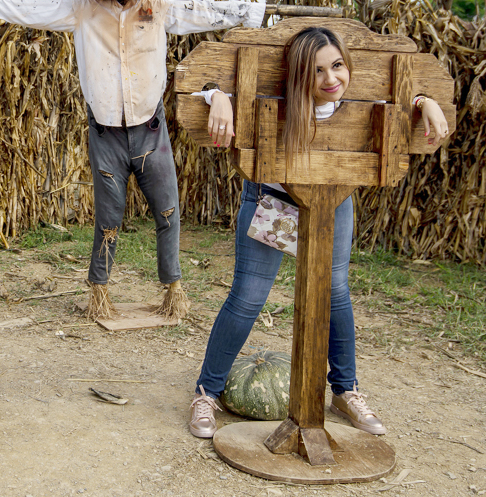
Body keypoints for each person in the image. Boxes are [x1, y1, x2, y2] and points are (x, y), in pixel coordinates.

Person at [187, 25, 450, 438]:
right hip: (274, 200)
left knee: (336, 292)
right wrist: (216, 95)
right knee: (249, 295)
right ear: (298, 76)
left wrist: (425, 100)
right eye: (317, 71)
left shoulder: (359, 100)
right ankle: (207, 391)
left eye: (338, 66)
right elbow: (206, 84)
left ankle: (346, 391)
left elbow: (396, 96)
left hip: (333, 199)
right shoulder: (274, 98)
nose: (331, 80)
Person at [0, 0, 265, 319]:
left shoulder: (157, 7)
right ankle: (99, 292)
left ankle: (174, 291)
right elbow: (35, 8)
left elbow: (199, 12)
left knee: (168, 211)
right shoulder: (83, 7)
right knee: (108, 218)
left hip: (151, 130)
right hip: (105, 132)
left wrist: (247, 13)